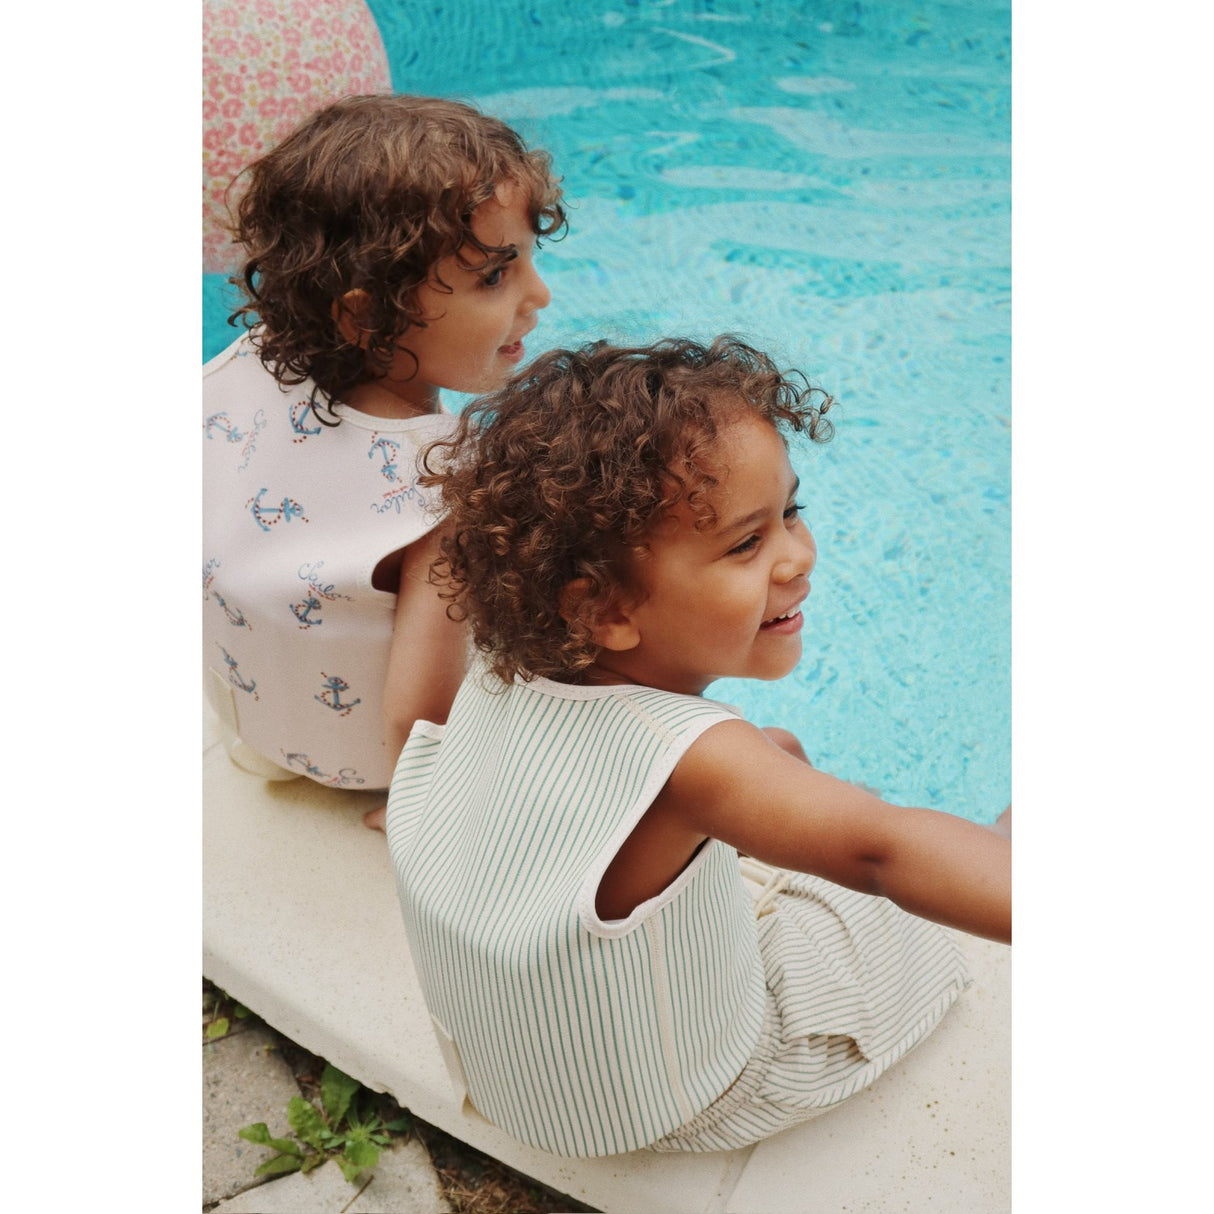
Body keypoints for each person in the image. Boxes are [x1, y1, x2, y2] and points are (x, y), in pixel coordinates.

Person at [384, 336, 1011, 1158]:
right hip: (693, 1096)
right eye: (747, 544)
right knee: (892, 911)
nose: (798, 556)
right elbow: (882, 853)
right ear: (605, 610)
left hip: (526, 1081)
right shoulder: (692, 759)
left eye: (791, 512)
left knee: (776, 752)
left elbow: (414, 727)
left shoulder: (505, 666)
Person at [203, 94, 565, 791]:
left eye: (527, 259)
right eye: (495, 275)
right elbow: (419, 713)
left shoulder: (247, 372)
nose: (539, 294)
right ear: (366, 317)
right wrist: (422, 816)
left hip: (257, 720)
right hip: (370, 765)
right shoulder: (443, 486)